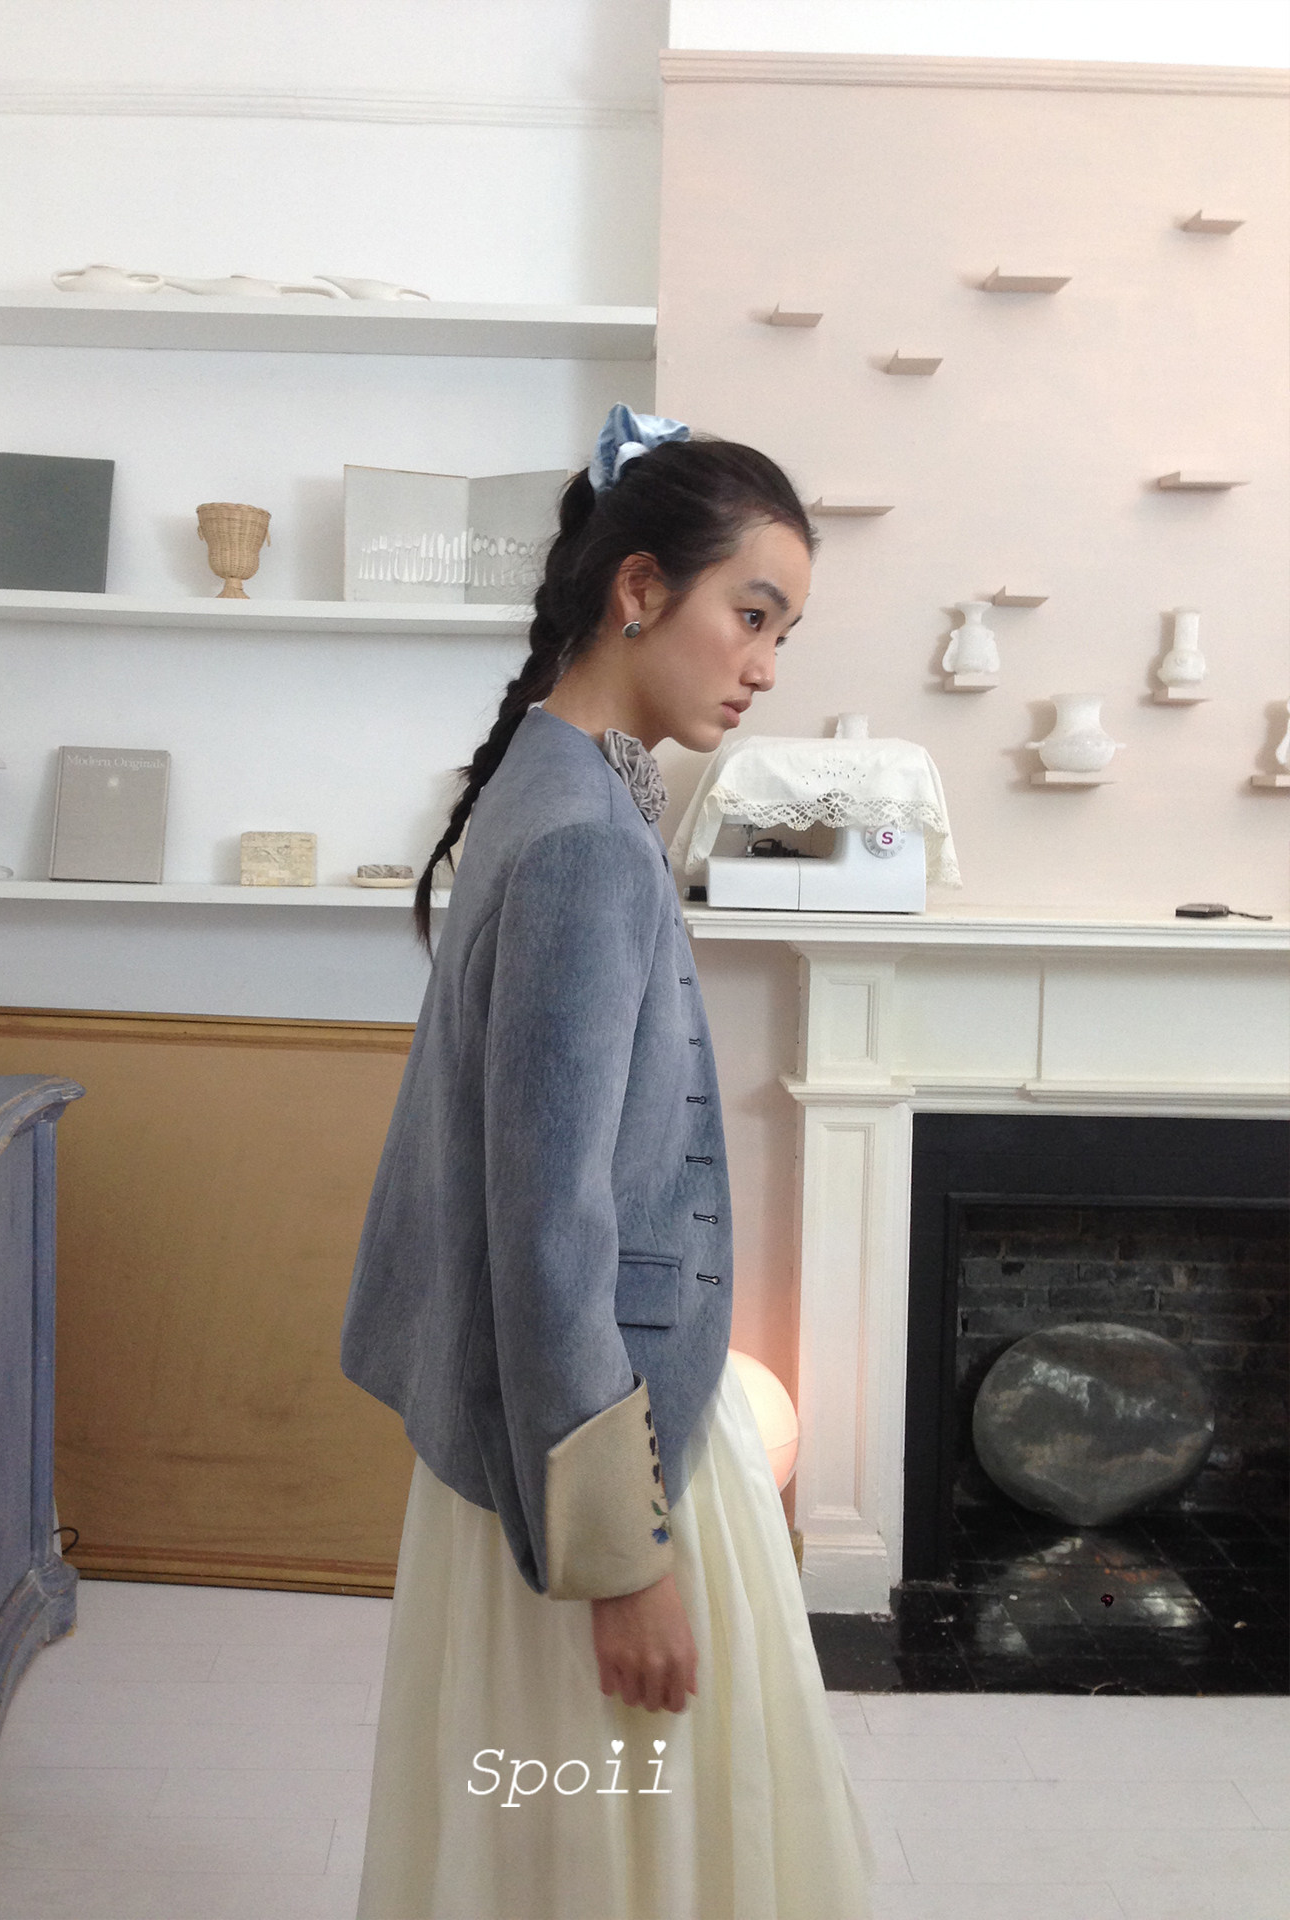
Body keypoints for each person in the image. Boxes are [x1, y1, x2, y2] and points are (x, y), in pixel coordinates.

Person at [340, 403, 877, 1919]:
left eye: (784, 631)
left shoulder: (555, 774)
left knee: (567, 1825)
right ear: (640, 588)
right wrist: (623, 1559)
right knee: (628, 1816)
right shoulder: (582, 834)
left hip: (563, 1414)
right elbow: (548, 1223)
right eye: (751, 615)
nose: (765, 665)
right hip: (598, 1442)